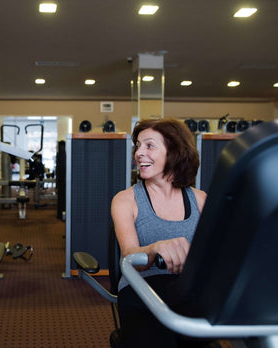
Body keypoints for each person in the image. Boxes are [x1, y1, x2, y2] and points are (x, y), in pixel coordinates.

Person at [111, 118, 207, 347]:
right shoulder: (125, 200)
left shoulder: (201, 200)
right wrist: (155, 248)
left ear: (174, 151)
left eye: (149, 145)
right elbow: (130, 257)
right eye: (138, 146)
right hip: (142, 288)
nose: (138, 153)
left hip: (188, 288)